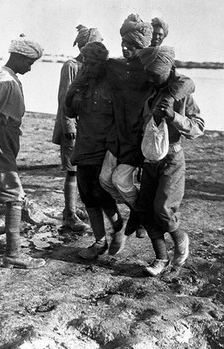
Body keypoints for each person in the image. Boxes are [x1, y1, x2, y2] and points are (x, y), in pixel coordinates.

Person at [99, 14, 195, 255]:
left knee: (132, 188)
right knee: (106, 181)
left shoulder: (156, 70)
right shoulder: (119, 66)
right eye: (123, 42)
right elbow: (94, 67)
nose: (125, 47)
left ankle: (148, 221)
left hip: (149, 145)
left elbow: (187, 82)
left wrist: (172, 105)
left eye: (131, 44)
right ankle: (139, 218)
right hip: (120, 137)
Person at [0, 34, 46, 269]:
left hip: (8, 137)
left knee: (3, 182)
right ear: (19, 57)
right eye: (29, 63)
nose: (30, 69)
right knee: (14, 193)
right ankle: (13, 254)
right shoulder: (4, 81)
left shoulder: (11, 77)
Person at [137, 45, 205, 276]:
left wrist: (174, 116)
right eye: (147, 72)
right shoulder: (149, 89)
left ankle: (179, 237)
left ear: (167, 70)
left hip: (172, 158)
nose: (149, 77)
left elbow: (198, 128)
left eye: (154, 74)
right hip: (149, 159)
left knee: (163, 209)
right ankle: (161, 258)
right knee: (144, 209)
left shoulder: (183, 94)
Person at [64, 41, 123, 260]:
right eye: (85, 61)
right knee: (87, 195)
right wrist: (73, 95)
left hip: (106, 147)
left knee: (101, 193)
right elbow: (68, 112)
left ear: (102, 61)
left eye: (92, 61)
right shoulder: (82, 82)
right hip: (85, 146)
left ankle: (118, 227)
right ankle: (99, 242)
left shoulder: (113, 81)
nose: (88, 65)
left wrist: (117, 147)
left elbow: (122, 116)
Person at [52, 25, 103, 232]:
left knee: (84, 170)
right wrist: (69, 126)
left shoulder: (93, 68)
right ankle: (69, 215)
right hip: (71, 128)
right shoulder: (71, 66)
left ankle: (76, 208)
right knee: (72, 172)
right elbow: (65, 99)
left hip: (88, 128)